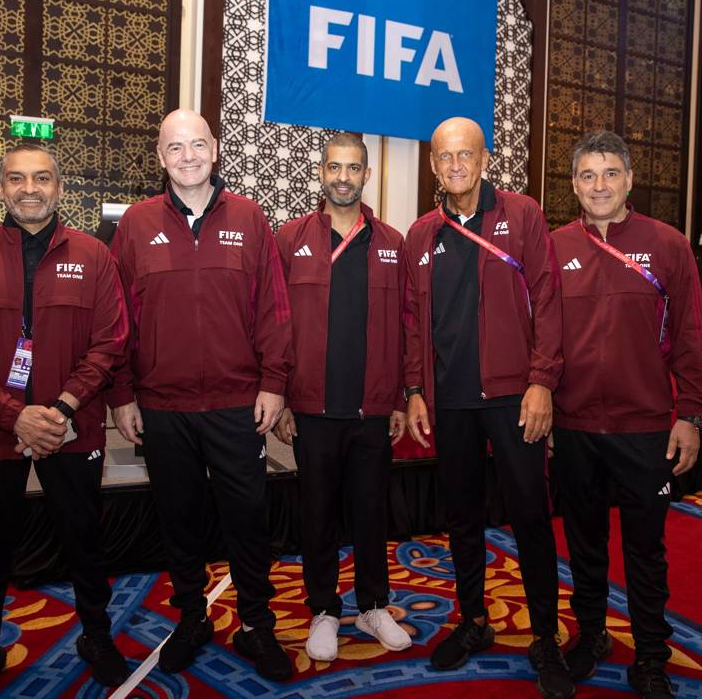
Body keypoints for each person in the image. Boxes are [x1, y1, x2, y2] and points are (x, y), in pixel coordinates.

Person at [107, 109, 294, 681]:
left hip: (239, 405)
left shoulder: (250, 218)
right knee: (178, 519)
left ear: (215, 150)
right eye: (174, 148)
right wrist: (121, 394)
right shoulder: (135, 225)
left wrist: (273, 383)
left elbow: (273, 309)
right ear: (160, 158)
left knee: (247, 520)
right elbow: (116, 321)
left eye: (197, 145)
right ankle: (192, 618)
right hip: (162, 408)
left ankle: (257, 624)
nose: (187, 157)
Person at [404, 117, 573, 699]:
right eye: (445, 157)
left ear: (483, 159)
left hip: (513, 397)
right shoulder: (420, 236)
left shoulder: (522, 215)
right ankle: (474, 619)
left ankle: (545, 636)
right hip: (450, 402)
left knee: (529, 515)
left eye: (465, 156)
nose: (455, 166)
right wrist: (415, 390)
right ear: (434, 165)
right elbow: (411, 323)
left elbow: (549, 299)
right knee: (462, 517)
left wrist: (542, 380)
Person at [551, 131, 702, 699]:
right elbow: (540, 335)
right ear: (573, 186)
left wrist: (691, 413)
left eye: (610, 173)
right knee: (584, 542)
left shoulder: (667, 245)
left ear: (630, 180)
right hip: (574, 425)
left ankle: (652, 656)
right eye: (588, 176)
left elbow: (690, 335)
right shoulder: (554, 245)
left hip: (646, 428)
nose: (599, 186)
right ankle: (591, 636)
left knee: (645, 548)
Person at [0, 144, 130, 688]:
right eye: (16, 179)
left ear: (59, 188)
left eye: (42, 178)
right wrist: (13, 415)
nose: (29, 189)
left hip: (73, 426)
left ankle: (97, 634)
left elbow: (109, 342)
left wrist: (63, 408)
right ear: (0, 187)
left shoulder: (94, 255)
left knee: (84, 541)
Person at [274, 133, 410, 662]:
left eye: (353, 168)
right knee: (318, 513)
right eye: (334, 166)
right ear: (321, 171)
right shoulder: (289, 239)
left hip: (373, 408)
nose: (343, 177)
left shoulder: (393, 243)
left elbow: (407, 326)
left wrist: (402, 396)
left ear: (366, 174)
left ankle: (374, 605)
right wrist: (281, 395)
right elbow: (276, 324)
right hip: (312, 407)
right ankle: (325, 609)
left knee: (372, 511)